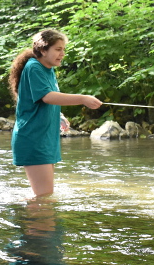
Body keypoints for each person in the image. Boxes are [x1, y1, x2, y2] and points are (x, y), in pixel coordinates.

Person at [8, 29, 102, 197]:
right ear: (43, 50)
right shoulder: (34, 67)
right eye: (58, 49)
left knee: (45, 196)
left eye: (63, 49)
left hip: (44, 138)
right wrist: (83, 99)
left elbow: (43, 98)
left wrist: (58, 116)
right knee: (44, 197)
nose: (62, 54)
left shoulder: (48, 68)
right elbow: (47, 96)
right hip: (33, 138)